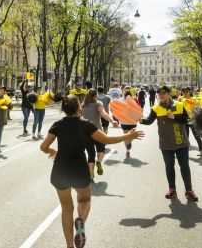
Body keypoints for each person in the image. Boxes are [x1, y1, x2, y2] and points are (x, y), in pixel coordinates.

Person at [40, 95, 144, 248]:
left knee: (66, 209)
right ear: (78, 108)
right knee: (84, 200)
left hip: (60, 170)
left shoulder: (57, 125)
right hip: (79, 170)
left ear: (64, 109)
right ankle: (81, 220)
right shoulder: (86, 125)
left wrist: (51, 151)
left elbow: (43, 147)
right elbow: (106, 140)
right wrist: (128, 135)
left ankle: (69, 246)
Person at [141, 86, 199, 202]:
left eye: (163, 93)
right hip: (166, 144)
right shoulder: (156, 108)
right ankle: (172, 190)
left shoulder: (179, 105)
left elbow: (187, 121)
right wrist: (140, 120)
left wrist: (174, 118)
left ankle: (189, 191)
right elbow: (149, 121)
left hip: (181, 142)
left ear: (168, 94)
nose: (160, 95)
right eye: (159, 94)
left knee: (185, 167)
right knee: (169, 167)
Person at [83, 89, 117, 179]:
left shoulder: (83, 105)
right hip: (97, 131)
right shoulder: (98, 103)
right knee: (101, 149)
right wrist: (112, 120)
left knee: (90, 154)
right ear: (95, 96)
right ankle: (99, 161)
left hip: (85, 133)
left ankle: (91, 175)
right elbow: (103, 114)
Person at [180, 87, 202, 157]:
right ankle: (185, 152)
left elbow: (197, 107)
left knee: (197, 136)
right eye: (184, 92)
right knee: (185, 137)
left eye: (187, 92)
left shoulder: (193, 99)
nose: (185, 93)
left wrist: (190, 102)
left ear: (189, 92)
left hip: (193, 120)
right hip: (184, 120)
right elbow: (176, 107)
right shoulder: (180, 99)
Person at [120, 87, 138, 159]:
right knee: (131, 135)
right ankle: (129, 143)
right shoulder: (134, 100)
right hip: (132, 121)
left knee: (126, 136)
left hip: (123, 121)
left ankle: (127, 150)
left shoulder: (121, 100)